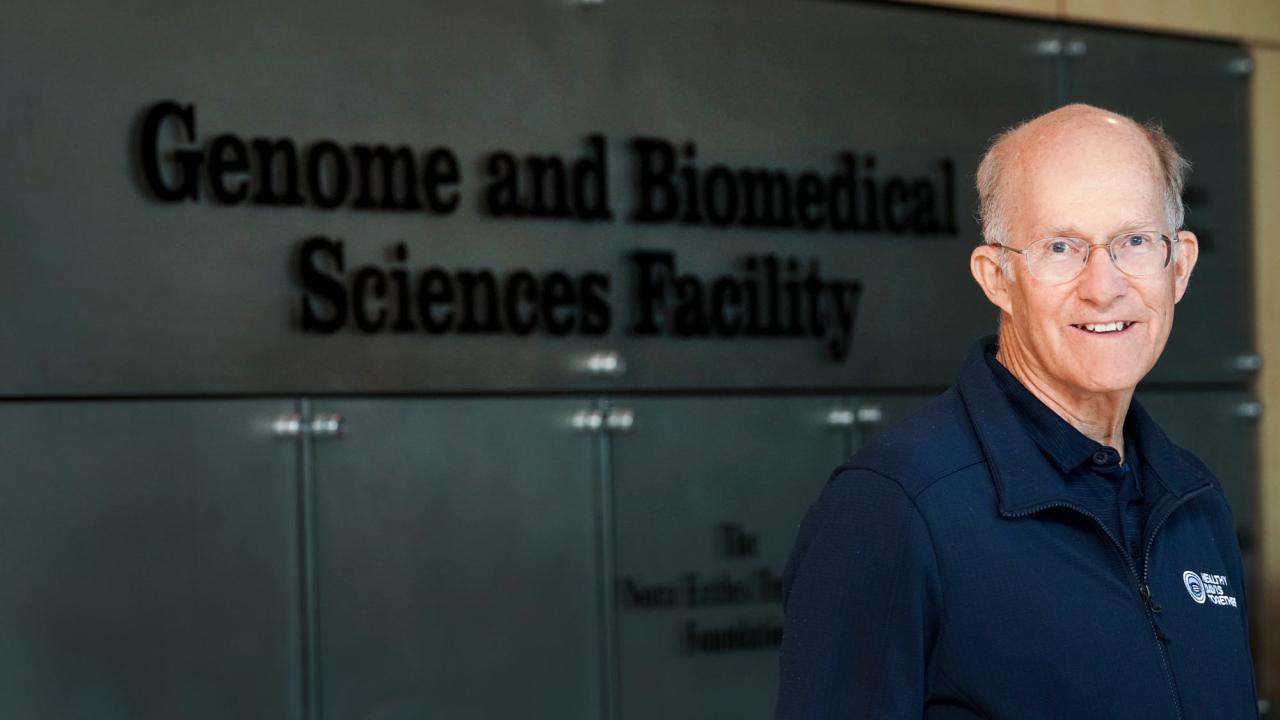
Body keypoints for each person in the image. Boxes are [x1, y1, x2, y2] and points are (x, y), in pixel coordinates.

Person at [775, 104, 1258, 718]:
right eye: (1061, 247)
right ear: (997, 277)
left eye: (1134, 241)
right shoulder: (892, 509)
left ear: (1180, 265)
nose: (1103, 286)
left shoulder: (1194, 503)